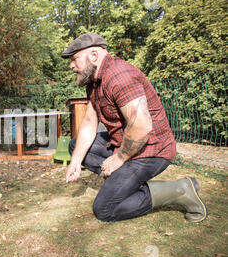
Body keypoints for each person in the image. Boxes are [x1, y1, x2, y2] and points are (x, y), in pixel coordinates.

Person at [62, 32, 207, 222]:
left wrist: (120, 158)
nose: (72, 65)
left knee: (105, 209)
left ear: (94, 55)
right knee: (76, 147)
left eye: (75, 58)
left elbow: (141, 127)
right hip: (127, 144)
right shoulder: (94, 82)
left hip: (152, 150)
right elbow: (90, 122)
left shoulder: (120, 76)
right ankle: (122, 179)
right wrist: (75, 162)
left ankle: (180, 190)